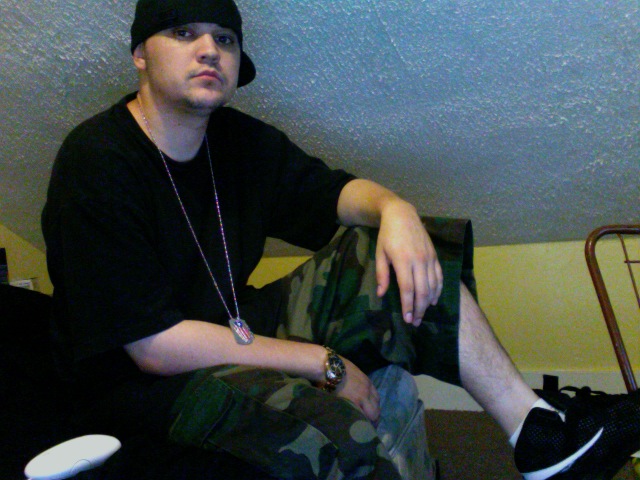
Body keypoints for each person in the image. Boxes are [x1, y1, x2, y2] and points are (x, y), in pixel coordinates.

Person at [41, 0, 640, 479]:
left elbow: (333, 193)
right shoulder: (97, 161)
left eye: (224, 38)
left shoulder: (236, 139)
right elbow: (154, 347)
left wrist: (394, 209)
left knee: (387, 249)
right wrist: (324, 364)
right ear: (140, 54)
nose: (209, 49)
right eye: (184, 33)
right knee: (326, 428)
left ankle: (539, 435)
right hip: (141, 385)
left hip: (234, 321)